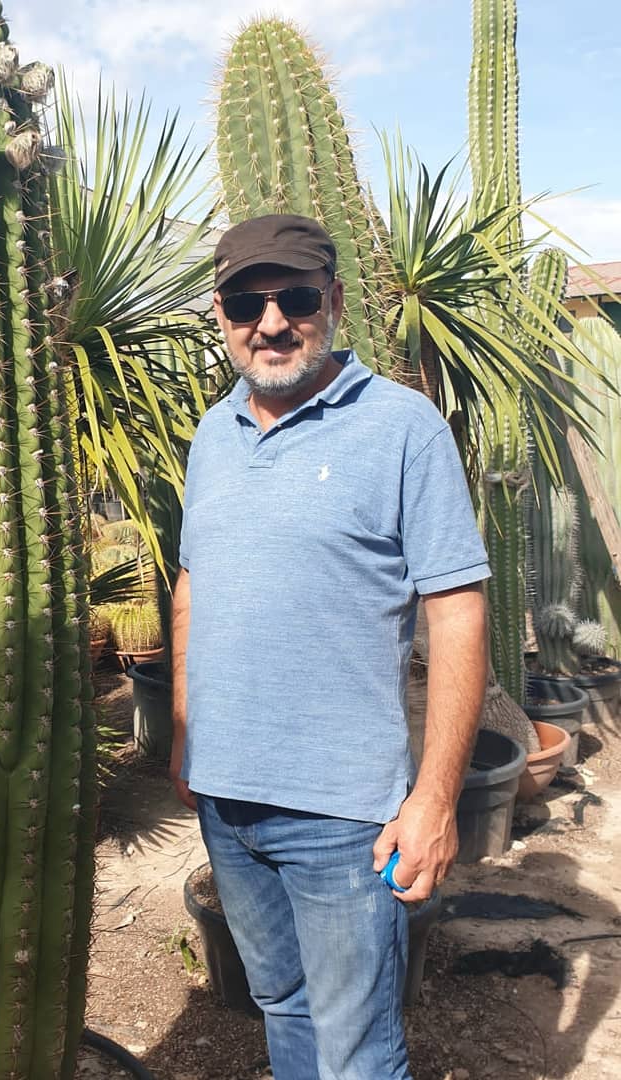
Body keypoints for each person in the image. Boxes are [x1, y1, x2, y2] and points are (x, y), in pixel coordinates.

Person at [171, 214, 490, 1080]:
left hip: (344, 818)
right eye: (247, 304)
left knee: (357, 1050)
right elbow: (193, 585)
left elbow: (457, 613)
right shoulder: (212, 436)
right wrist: (185, 736)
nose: (271, 322)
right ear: (221, 314)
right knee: (282, 1003)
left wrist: (436, 799)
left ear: (334, 301)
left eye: (295, 298)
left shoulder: (402, 428)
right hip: (226, 800)